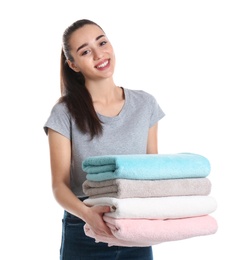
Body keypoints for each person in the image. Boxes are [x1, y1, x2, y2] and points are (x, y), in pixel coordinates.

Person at [44, 18, 165, 260]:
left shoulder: (145, 105)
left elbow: (153, 171)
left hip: (135, 227)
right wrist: (89, 215)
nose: (99, 54)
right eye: (86, 51)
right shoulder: (64, 113)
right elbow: (60, 185)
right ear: (73, 64)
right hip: (84, 228)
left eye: (102, 42)